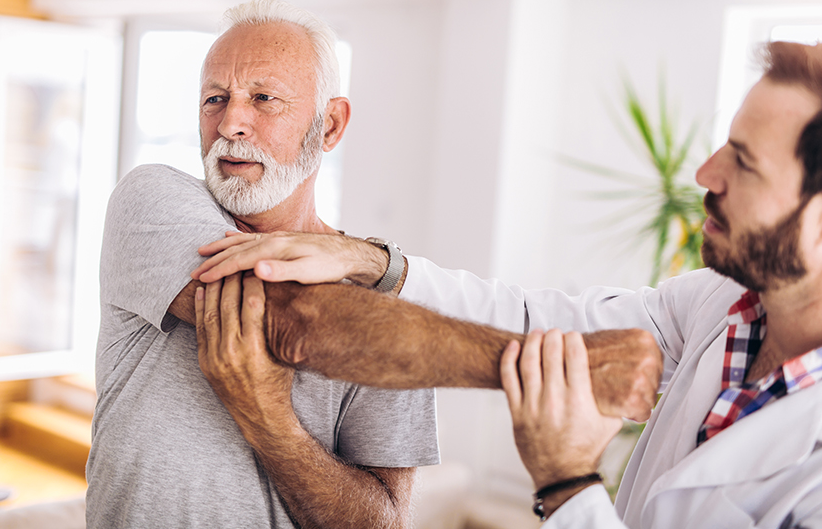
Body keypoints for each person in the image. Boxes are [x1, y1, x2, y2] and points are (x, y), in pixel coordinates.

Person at [191, 40, 822, 528]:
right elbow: (530, 316)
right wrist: (374, 263)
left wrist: (568, 483)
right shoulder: (721, 305)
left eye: (743, 161)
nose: (705, 173)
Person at [85, 0, 440, 529]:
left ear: (330, 126)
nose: (231, 123)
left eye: (264, 98)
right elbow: (285, 316)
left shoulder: (392, 298)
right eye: (215, 98)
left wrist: (273, 425)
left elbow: (381, 522)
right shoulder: (150, 200)